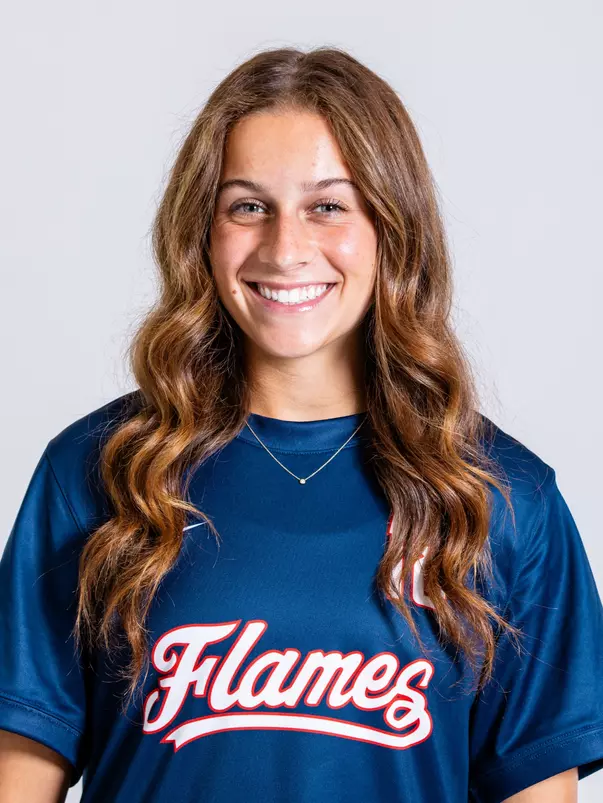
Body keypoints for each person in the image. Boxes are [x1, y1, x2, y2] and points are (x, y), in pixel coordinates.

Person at [0, 46, 602, 803]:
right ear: (202, 231)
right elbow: (20, 772)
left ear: (392, 223)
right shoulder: (99, 470)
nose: (285, 249)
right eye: (247, 205)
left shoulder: (501, 497)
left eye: (327, 205)